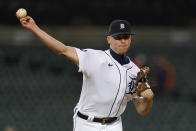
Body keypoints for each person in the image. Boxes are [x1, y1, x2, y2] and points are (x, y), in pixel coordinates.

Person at [17, 15, 154, 131]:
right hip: (87, 124)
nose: (123, 40)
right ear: (109, 39)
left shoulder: (136, 72)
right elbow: (63, 50)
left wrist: (149, 99)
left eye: (126, 37)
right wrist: (34, 28)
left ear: (130, 39)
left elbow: (142, 110)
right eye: (118, 37)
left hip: (115, 125)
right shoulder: (95, 58)